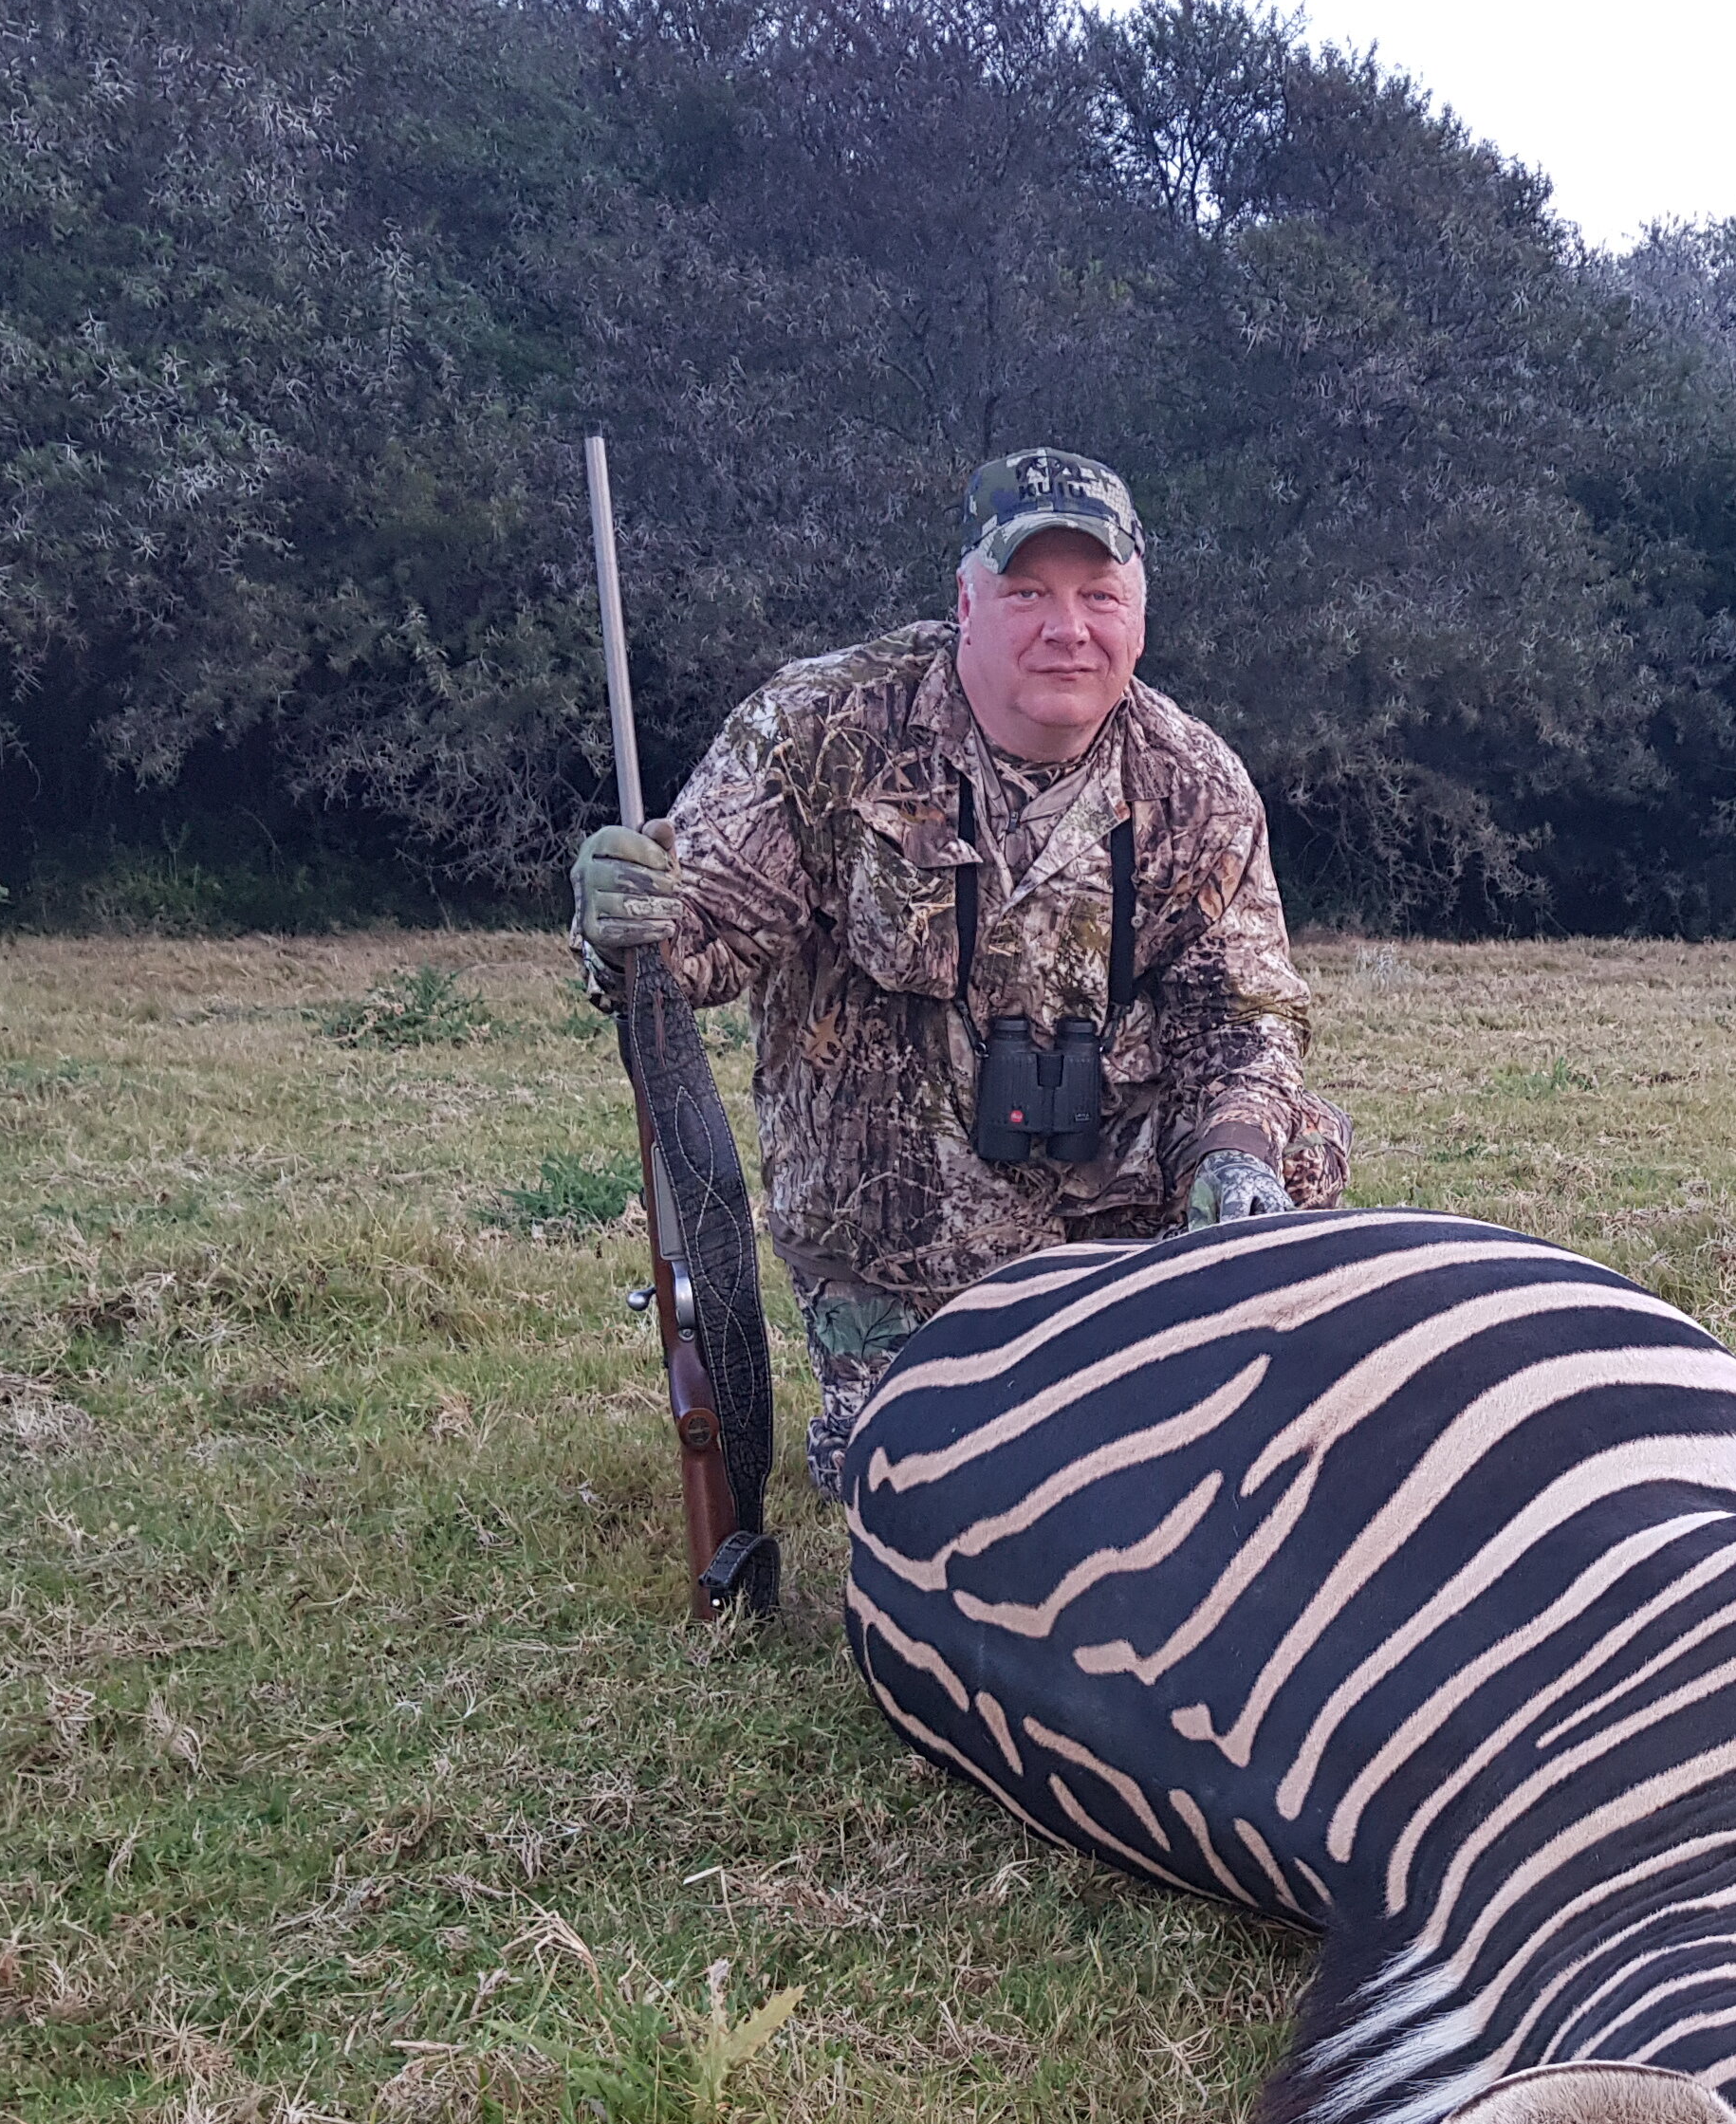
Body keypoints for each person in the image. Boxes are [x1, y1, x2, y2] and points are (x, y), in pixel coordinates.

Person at [569, 447, 1349, 1500]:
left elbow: (1244, 1014)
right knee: (935, 1498)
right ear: (966, 600)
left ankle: (1198, 1370)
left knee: (1287, 1148)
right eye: (1028, 592)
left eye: (1098, 594)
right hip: (906, 1238)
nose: (1066, 628)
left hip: (1112, 1223)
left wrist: (1238, 1157)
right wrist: (627, 919)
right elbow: (695, 933)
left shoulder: (1195, 779)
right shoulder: (822, 732)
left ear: (1141, 615)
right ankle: (902, 1402)